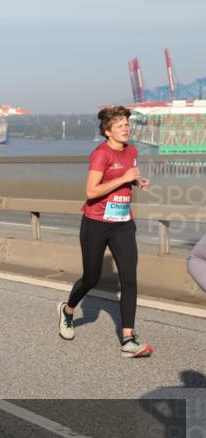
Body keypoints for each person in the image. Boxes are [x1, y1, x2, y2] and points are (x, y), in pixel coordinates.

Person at [58, 106, 153, 358]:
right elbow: (91, 192)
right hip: (96, 223)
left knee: (130, 279)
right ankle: (67, 310)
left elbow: (124, 174)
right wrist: (124, 179)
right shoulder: (100, 154)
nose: (125, 128)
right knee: (91, 278)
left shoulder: (131, 151)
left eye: (127, 124)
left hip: (122, 223)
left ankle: (128, 339)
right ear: (108, 131)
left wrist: (136, 181)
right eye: (120, 125)